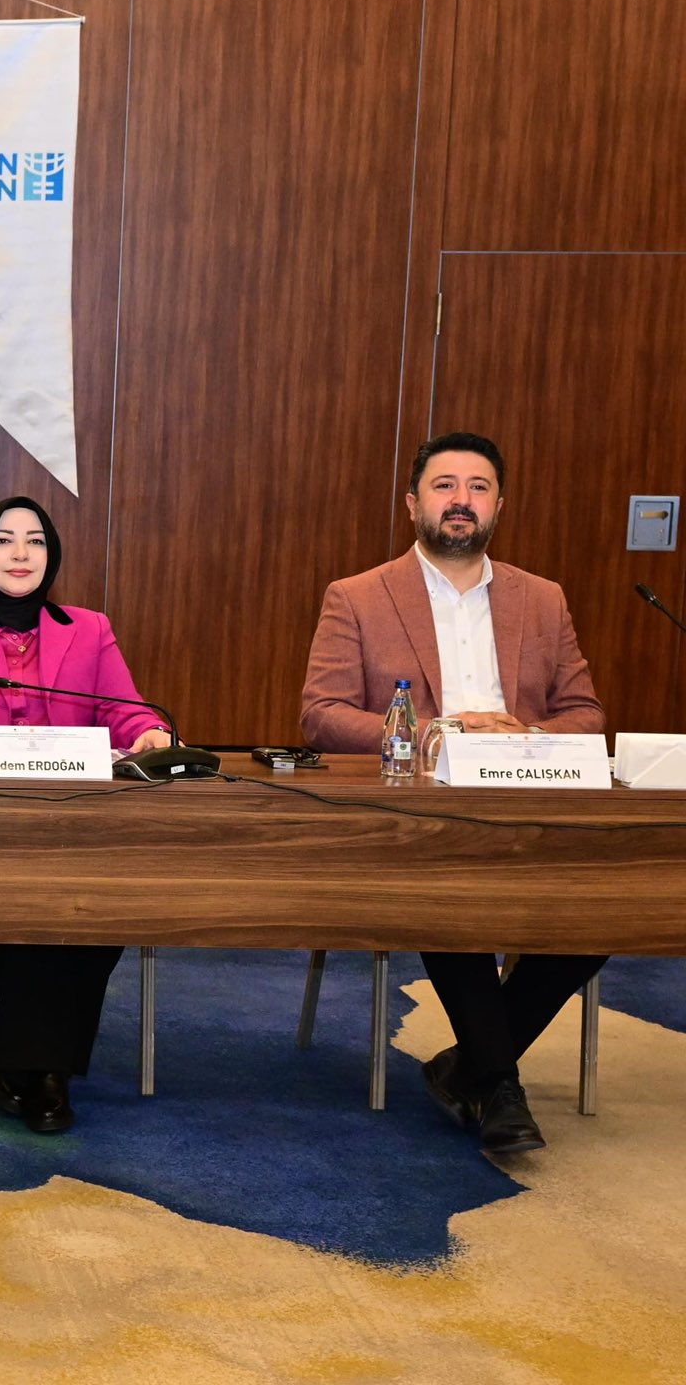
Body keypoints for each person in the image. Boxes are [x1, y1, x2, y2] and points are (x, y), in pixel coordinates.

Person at [301, 430, 605, 1154]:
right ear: (413, 504)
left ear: (500, 505)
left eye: (478, 487)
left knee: (600, 913)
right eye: (445, 486)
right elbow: (322, 714)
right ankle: (497, 1084)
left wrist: (523, 734)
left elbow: (585, 714)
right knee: (449, 894)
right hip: (415, 818)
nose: (461, 500)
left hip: (526, 808)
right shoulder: (359, 596)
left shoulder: (543, 599)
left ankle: (467, 1067)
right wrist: (439, 733)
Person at [0, 495, 171, 1134]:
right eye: (5, 540)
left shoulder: (90, 628)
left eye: (35, 541)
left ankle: (23, 1064)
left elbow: (123, 707)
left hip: (79, 815)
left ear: (51, 555)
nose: (21, 553)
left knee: (105, 904)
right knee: (31, 893)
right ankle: (45, 1072)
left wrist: (149, 730)